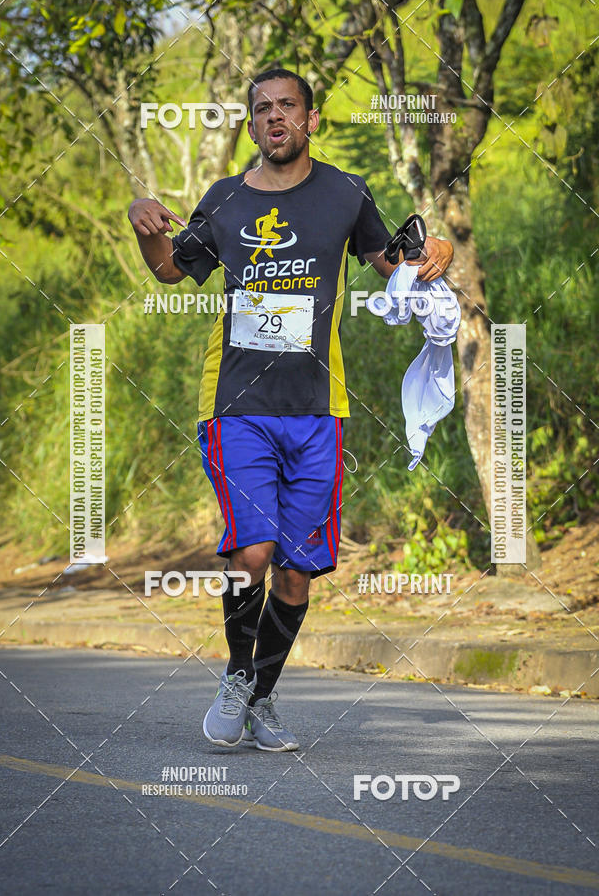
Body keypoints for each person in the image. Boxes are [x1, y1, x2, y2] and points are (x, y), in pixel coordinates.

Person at [128, 68, 453, 752]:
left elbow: (389, 261)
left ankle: (262, 697)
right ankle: (237, 675)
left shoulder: (346, 192)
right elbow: (168, 268)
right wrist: (145, 226)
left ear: (310, 119)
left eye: (287, 107)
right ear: (251, 125)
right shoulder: (223, 199)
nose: (274, 117)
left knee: (297, 573)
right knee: (253, 547)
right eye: (261, 109)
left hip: (317, 407)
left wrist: (431, 255)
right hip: (236, 405)